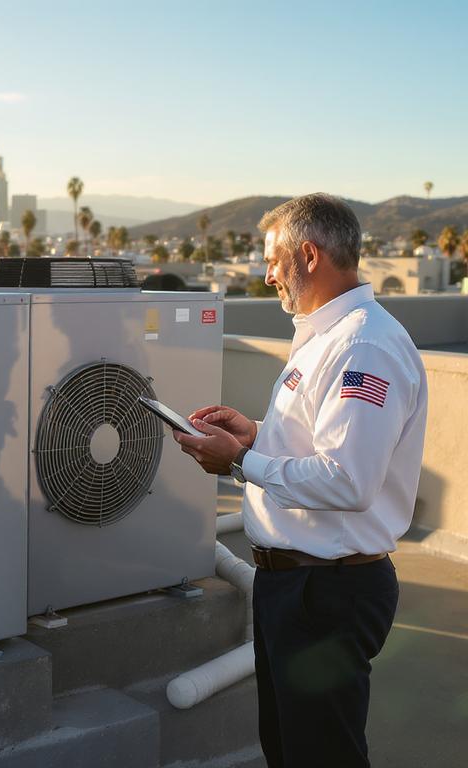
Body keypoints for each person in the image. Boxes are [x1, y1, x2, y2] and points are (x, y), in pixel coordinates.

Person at [173, 193, 427, 768]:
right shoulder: (325, 335)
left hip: (328, 593)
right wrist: (254, 435)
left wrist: (236, 464)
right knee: (289, 749)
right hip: (297, 588)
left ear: (308, 255)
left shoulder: (364, 345)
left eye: (272, 260)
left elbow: (347, 479)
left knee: (322, 755)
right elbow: (318, 443)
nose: (266, 276)